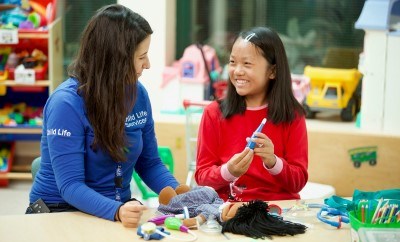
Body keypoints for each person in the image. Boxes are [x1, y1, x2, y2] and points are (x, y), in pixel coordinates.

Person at [27, 4, 179, 228]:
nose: (148, 65)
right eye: (141, 57)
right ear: (115, 60)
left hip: (115, 209)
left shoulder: (138, 94)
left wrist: (181, 196)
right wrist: (117, 211)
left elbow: (150, 163)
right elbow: (70, 186)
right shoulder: (66, 104)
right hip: (58, 210)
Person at [195, 26, 308, 202]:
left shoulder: (292, 115)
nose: (237, 71)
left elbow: (298, 182)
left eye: (247, 64)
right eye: (232, 62)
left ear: (273, 71)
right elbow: (202, 176)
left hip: (278, 210)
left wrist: (273, 162)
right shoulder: (214, 113)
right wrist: (228, 171)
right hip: (230, 211)